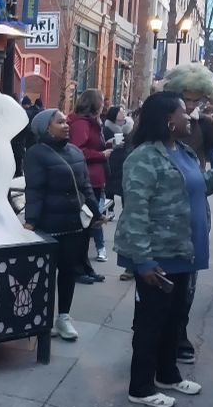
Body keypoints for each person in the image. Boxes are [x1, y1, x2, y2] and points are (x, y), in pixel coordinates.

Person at [113, 91, 213, 407]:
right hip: (158, 255)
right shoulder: (143, 158)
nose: (190, 117)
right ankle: (140, 387)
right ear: (168, 120)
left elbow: (203, 185)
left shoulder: (185, 153)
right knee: (152, 321)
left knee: (175, 318)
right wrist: (144, 260)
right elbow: (135, 212)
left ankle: (168, 374)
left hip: (184, 251)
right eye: (183, 112)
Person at [162, 63, 213, 364]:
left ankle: (179, 332)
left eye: (195, 100)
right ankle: (154, 331)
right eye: (184, 99)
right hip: (162, 206)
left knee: (187, 278)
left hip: (193, 204)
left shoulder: (204, 123)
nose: (190, 106)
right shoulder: (155, 119)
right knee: (160, 275)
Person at [24, 108, 103, 340]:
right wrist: (31, 221)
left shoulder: (76, 152)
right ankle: (42, 319)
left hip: (75, 224)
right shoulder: (36, 153)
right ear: (46, 127)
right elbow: (34, 190)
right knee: (45, 274)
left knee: (68, 272)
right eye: (60, 122)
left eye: (66, 121)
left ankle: (64, 318)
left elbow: (86, 187)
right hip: (48, 225)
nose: (67, 125)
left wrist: (96, 213)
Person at [68, 89, 112, 274]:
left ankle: (84, 266)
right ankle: (79, 267)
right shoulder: (82, 124)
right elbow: (78, 150)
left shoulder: (91, 123)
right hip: (87, 179)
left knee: (89, 226)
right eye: (102, 101)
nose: (104, 104)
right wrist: (101, 155)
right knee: (84, 226)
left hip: (94, 179)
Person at [103, 105, 135, 280]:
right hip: (113, 163)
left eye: (124, 111)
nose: (123, 114)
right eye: (121, 112)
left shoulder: (130, 127)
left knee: (126, 196)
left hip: (126, 164)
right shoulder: (107, 127)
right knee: (109, 191)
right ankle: (109, 210)